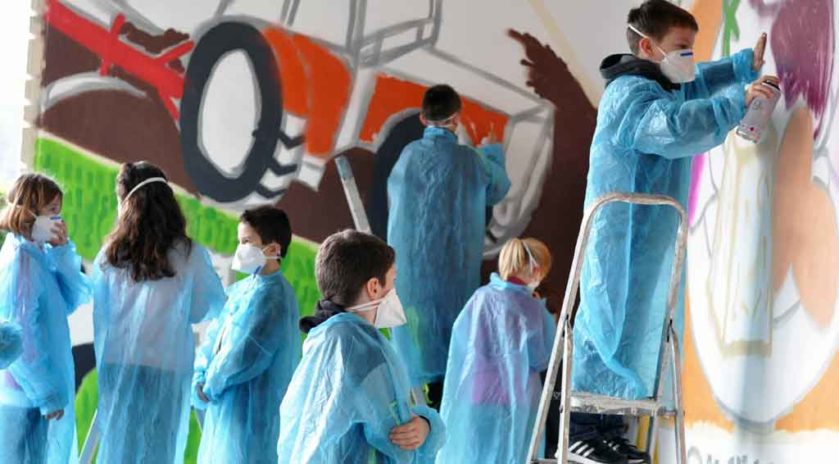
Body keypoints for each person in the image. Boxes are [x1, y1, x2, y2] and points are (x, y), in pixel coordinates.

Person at [569, 1, 779, 463]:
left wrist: (742, 67)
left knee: (632, 329)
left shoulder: (660, 85)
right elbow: (672, 128)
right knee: (607, 324)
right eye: (681, 48)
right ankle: (581, 428)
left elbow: (696, 82)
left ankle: (608, 428)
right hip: (617, 234)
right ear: (647, 47)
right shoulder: (630, 94)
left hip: (645, 233)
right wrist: (735, 102)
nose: (689, 56)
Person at [92, 162, 225, 464]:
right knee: (158, 453)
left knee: (118, 451)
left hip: (117, 366)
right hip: (166, 370)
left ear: (125, 203)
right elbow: (204, 309)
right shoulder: (188, 254)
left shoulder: (111, 255)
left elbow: (101, 312)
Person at [387, 84, 511, 406]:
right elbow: (498, 189)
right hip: (453, 274)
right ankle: (442, 409)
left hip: (410, 273)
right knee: (453, 344)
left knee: (416, 343)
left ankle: (422, 407)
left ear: (423, 118)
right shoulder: (470, 161)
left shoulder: (409, 156)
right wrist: (493, 151)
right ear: (456, 119)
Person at [278, 230, 445, 463]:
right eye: (393, 281)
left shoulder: (326, 335)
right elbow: (400, 441)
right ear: (374, 287)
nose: (395, 291)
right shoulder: (365, 349)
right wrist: (430, 426)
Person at [193, 206, 301, 464]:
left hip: (253, 419)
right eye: (239, 241)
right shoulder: (242, 290)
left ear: (273, 249)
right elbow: (214, 338)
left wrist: (210, 385)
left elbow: (247, 356)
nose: (240, 249)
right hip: (227, 412)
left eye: (246, 242)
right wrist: (200, 374)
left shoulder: (275, 298)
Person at [436, 238, 555, 464]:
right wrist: (545, 315)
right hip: (517, 398)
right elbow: (541, 359)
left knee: (477, 454)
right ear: (537, 269)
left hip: (479, 394)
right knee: (511, 455)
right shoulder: (530, 307)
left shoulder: (480, 297)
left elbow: (463, 347)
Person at [0, 173, 91, 464]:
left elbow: (74, 297)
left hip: (34, 391)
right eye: (52, 211)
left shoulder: (37, 254)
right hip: (25, 394)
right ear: (31, 212)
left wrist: (63, 251)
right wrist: (45, 394)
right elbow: (21, 339)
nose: (59, 219)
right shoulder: (22, 262)